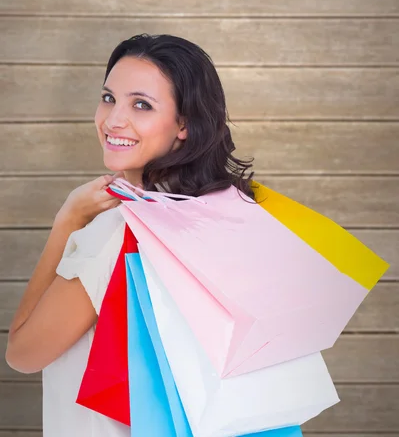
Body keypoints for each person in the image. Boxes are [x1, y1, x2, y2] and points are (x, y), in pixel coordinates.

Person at [5, 34, 256, 436]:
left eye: (141, 105)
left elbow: (23, 353)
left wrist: (67, 223)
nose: (113, 120)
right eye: (109, 98)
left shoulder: (117, 233)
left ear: (184, 125)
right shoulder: (227, 214)